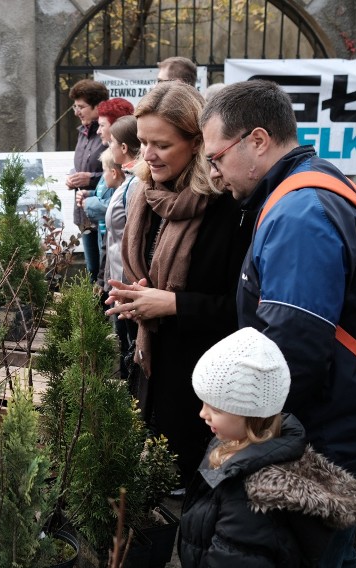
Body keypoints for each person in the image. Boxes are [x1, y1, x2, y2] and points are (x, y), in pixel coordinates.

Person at [199, 79, 356, 568]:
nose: (214, 174)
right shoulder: (308, 185)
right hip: (355, 414)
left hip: (339, 430)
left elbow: (291, 348)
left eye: (216, 158)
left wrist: (253, 434)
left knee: (325, 556)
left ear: (257, 140)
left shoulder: (298, 211)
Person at [105, 81, 253, 487]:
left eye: (162, 145)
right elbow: (144, 274)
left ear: (197, 143)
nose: (147, 155)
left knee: (191, 478)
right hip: (151, 361)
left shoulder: (227, 205)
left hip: (203, 378)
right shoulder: (143, 194)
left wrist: (171, 304)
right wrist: (132, 300)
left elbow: (242, 309)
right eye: (142, 142)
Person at [179, 327, 356, 568]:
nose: (202, 414)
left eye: (216, 409)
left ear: (252, 416)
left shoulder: (249, 500)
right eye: (203, 403)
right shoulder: (233, 444)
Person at [102, 115, 142, 379]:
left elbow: (133, 237)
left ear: (124, 148)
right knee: (125, 345)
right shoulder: (128, 181)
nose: (109, 147)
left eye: (113, 142)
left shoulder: (134, 184)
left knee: (131, 347)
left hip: (128, 282)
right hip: (119, 280)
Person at [65, 78, 109, 282]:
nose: (76, 112)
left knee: (103, 270)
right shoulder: (82, 133)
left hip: (103, 211)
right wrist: (73, 178)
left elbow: (121, 172)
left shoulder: (108, 134)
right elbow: (81, 165)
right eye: (75, 106)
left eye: (81, 107)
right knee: (91, 268)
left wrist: (90, 178)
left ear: (97, 107)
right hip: (83, 211)